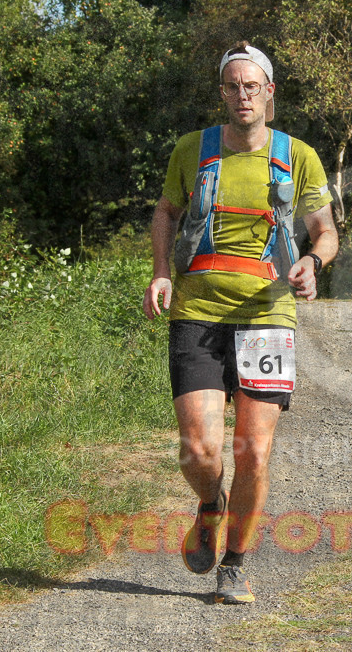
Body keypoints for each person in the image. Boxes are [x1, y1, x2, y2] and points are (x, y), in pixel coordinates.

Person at [143, 41, 338, 604]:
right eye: (232, 86)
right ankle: (210, 503)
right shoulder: (193, 150)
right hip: (197, 311)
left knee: (253, 451)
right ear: (222, 92)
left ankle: (236, 561)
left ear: (269, 91)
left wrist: (312, 261)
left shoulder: (298, 155)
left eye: (252, 86)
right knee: (200, 451)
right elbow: (166, 212)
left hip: (267, 314)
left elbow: (325, 230)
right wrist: (160, 272)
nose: (242, 95)